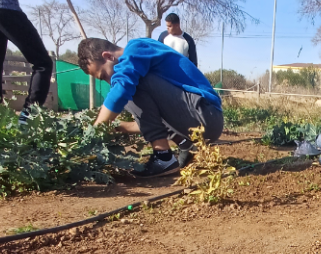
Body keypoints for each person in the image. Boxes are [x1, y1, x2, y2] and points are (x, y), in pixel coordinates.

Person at [77, 37, 223, 178]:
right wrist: (120, 126)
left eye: (104, 75)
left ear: (108, 56)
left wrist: (95, 131)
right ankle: (185, 144)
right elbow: (153, 123)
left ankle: (163, 157)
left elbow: (121, 89)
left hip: (206, 115)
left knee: (127, 84)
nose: (109, 81)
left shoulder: (136, 48)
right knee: (126, 84)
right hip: (198, 122)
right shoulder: (137, 62)